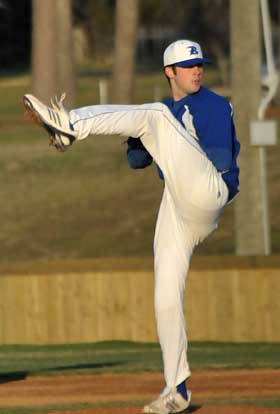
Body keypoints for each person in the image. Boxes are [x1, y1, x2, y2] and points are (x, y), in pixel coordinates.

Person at [23, 39, 240, 414]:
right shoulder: (165, 112)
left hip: (210, 189)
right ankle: (177, 389)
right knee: (165, 293)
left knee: (154, 113)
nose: (197, 70)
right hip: (178, 201)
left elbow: (218, 157)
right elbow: (136, 162)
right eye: (188, 66)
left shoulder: (213, 105)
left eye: (199, 64)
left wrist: (160, 132)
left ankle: (68, 123)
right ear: (169, 72)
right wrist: (140, 138)